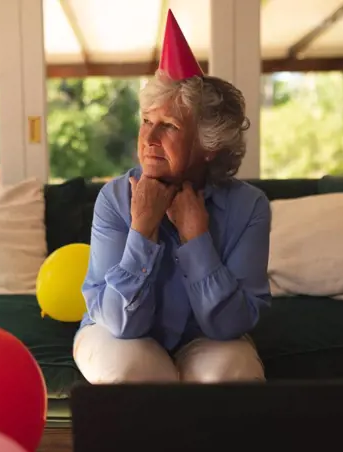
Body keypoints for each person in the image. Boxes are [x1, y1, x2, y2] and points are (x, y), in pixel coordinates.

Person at [73, 10, 271, 384]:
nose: (148, 139)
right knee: (136, 371)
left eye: (169, 126)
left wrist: (197, 240)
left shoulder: (249, 207)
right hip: (115, 333)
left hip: (204, 338)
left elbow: (229, 325)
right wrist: (142, 229)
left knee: (234, 372)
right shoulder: (115, 198)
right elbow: (119, 322)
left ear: (209, 146)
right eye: (147, 121)